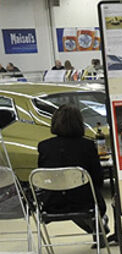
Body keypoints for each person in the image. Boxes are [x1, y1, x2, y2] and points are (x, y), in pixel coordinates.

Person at [34, 104, 107, 244]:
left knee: (68, 194)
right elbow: (98, 179)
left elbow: (44, 176)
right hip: (84, 202)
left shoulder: (44, 147)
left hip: (52, 203)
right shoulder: (88, 145)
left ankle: (97, 228)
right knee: (87, 198)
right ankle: (98, 228)